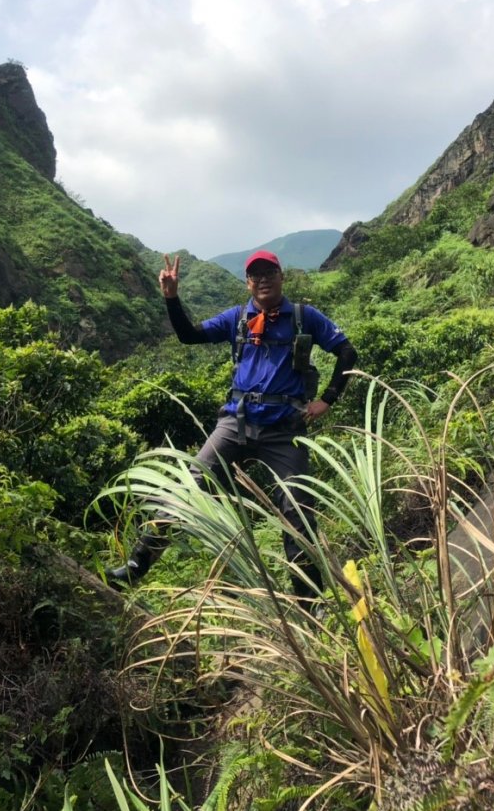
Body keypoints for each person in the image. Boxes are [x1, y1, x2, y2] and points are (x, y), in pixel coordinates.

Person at [107, 250, 357, 606]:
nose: (263, 280)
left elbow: (347, 352)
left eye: (269, 272)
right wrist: (172, 299)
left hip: (285, 430)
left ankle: (309, 602)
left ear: (281, 276)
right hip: (235, 422)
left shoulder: (304, 317)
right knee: (189, 490)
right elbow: (189, 336)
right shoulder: (238, 317)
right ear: (248, 283)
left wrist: (328, 399)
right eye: (256, 275)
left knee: (298, 511)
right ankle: (136, 565)